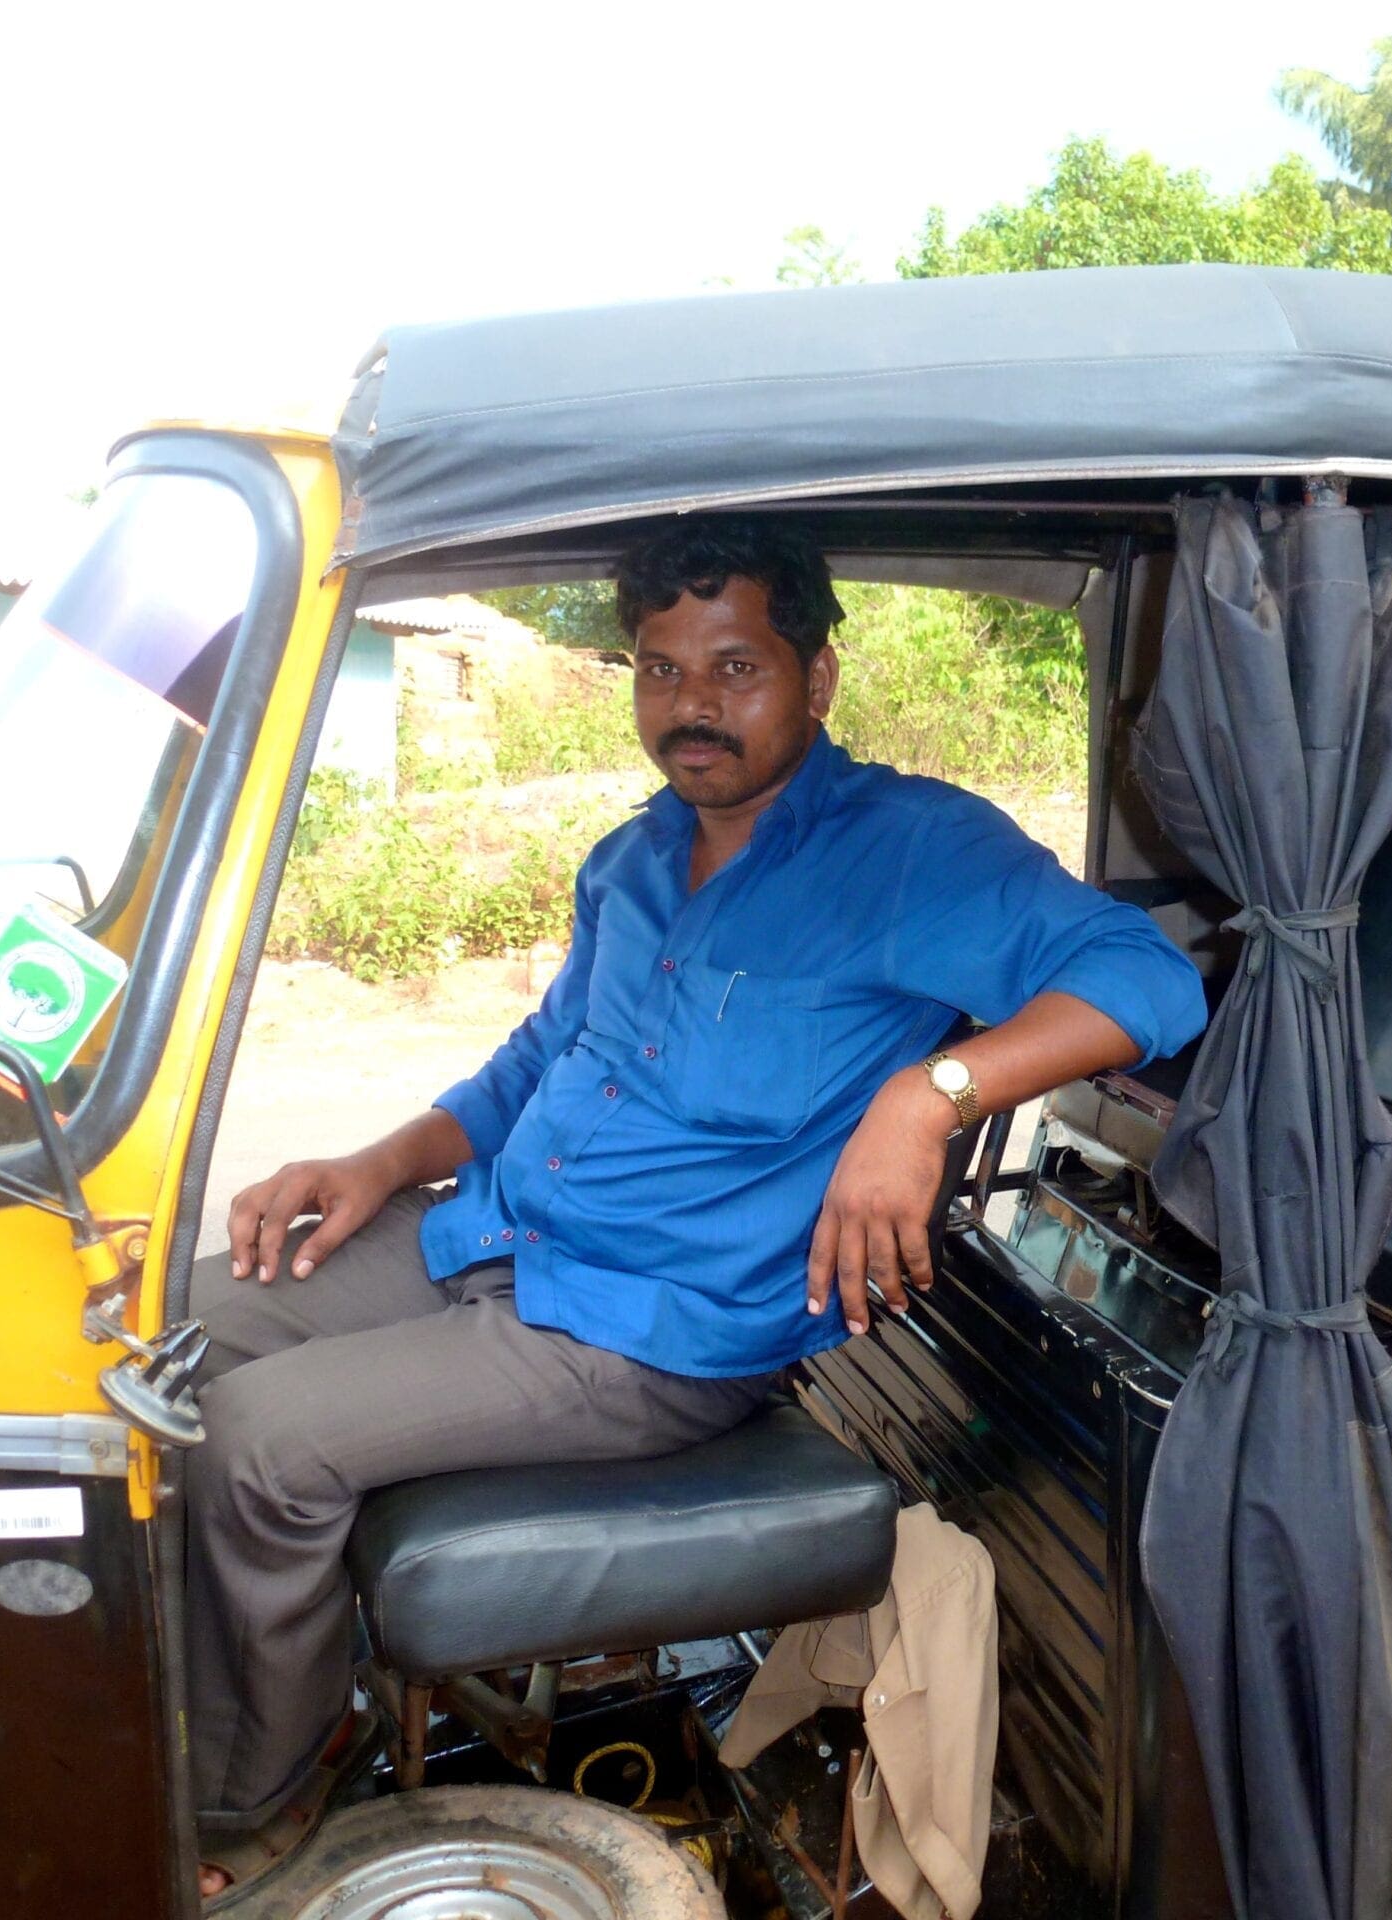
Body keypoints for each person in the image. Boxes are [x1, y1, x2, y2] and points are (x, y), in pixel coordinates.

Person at [187, 518, 1205, 1899]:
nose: (693, 707)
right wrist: (378, 1161)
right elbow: (538, 1062)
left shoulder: (909, 852)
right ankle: (223, 1660)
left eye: (736, 667)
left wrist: (929, 1094)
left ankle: (251, 1788)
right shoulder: (632, 860)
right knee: (174, 1321)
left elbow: (1148, 983)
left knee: (260, 1441)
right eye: (661, 672)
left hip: (643, 1335)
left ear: (819, 676)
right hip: (488, 1235)